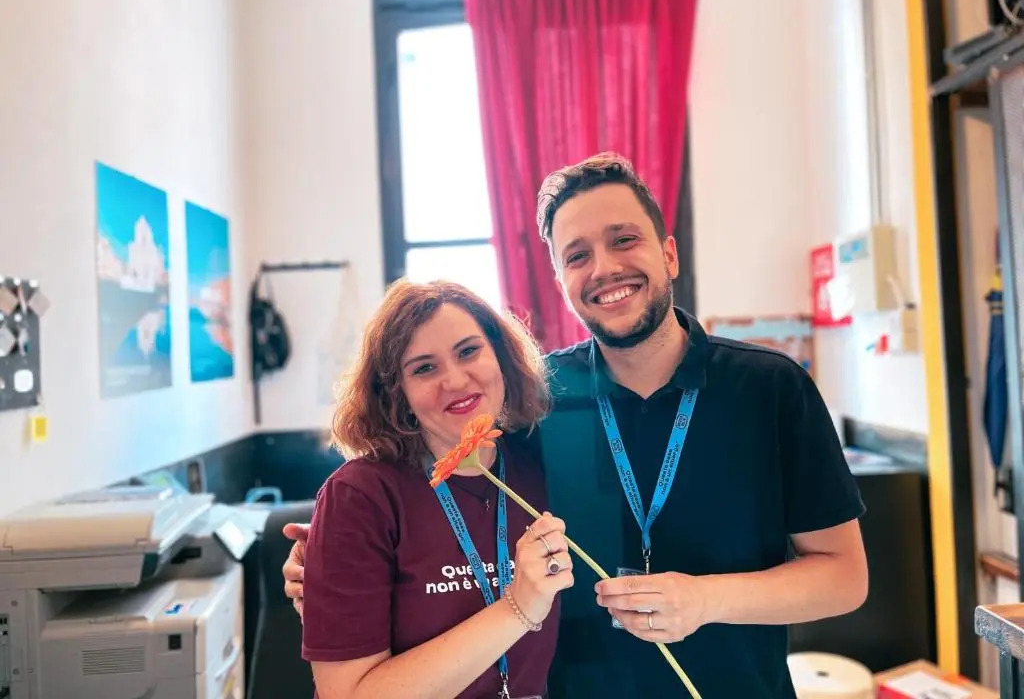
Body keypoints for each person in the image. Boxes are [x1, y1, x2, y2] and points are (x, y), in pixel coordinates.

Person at [285, 153, 868, 698]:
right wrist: (337, 561)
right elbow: (452, 493)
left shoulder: (770, 388)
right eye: (577, 255)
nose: (605, 268)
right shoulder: (535, 400)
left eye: (624, 239)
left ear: (669, 254)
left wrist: (706, 599)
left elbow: (844, 577)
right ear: (561, 282)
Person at [298, 279, 574, 699]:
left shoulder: (542, 460)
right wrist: (517, 608)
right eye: (424, 368)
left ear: (500, 356)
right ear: (398, 394)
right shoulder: (360, 496)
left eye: (468, 351)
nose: (456, 380)